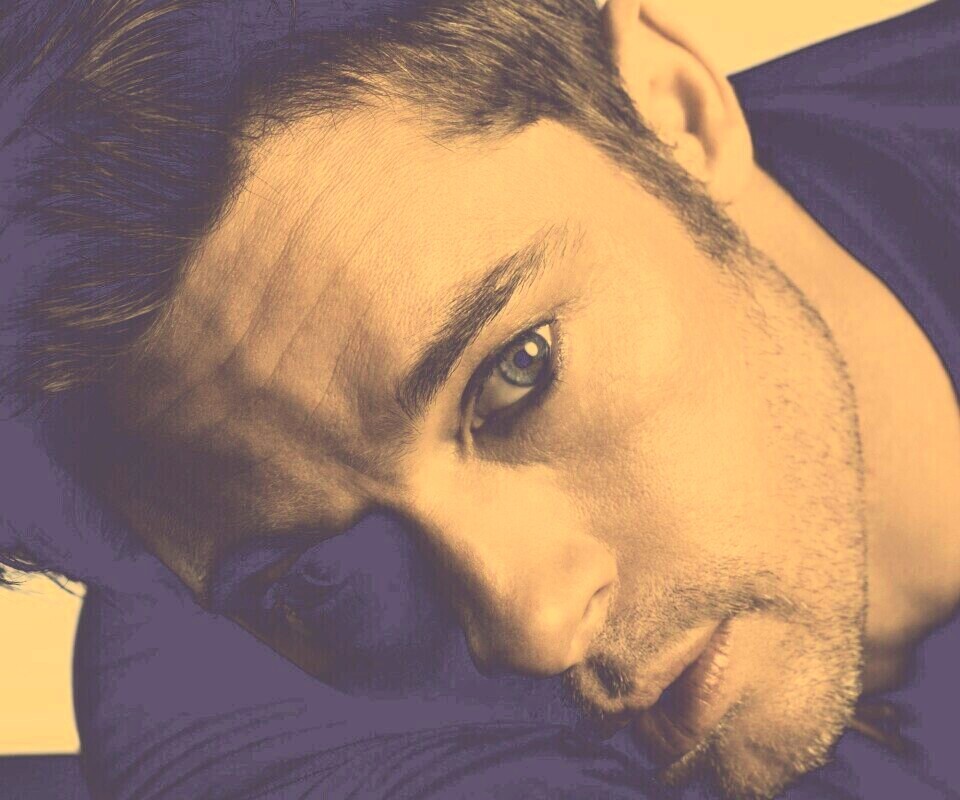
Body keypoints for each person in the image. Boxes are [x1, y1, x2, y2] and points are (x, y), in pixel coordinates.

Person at [0, 0, 957, 798]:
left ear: (675, 114)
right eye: (321, 577)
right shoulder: (232, 718)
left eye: (517, 373)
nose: (533, 628)